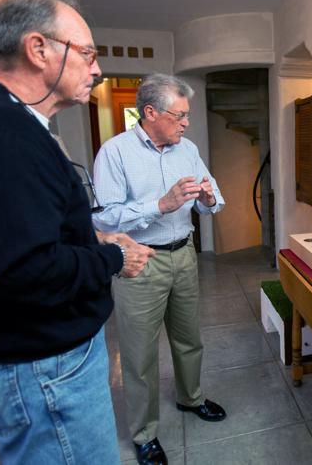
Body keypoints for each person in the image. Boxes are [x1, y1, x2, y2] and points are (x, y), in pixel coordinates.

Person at [0, 0, 154, 464]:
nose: (96, 69)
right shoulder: (0, 134)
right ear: (39, 49)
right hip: (41, 368)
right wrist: (113, 255)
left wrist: (90, 236)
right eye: (88, 54)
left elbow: (18, 232)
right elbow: (21, 270)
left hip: (31, 361)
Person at [93, 74, 226, 465]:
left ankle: (191, 398)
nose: (186, 123)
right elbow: (105, 219)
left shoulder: (189, 149)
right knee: (139, 354)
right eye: (179, 115)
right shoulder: (114, 153)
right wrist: (160, 205)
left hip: (185, 254)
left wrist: (207, 197)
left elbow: (213, 202)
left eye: (187, 116)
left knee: (189, 338)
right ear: (150, 113)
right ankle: (144, 432)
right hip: (139, 261)